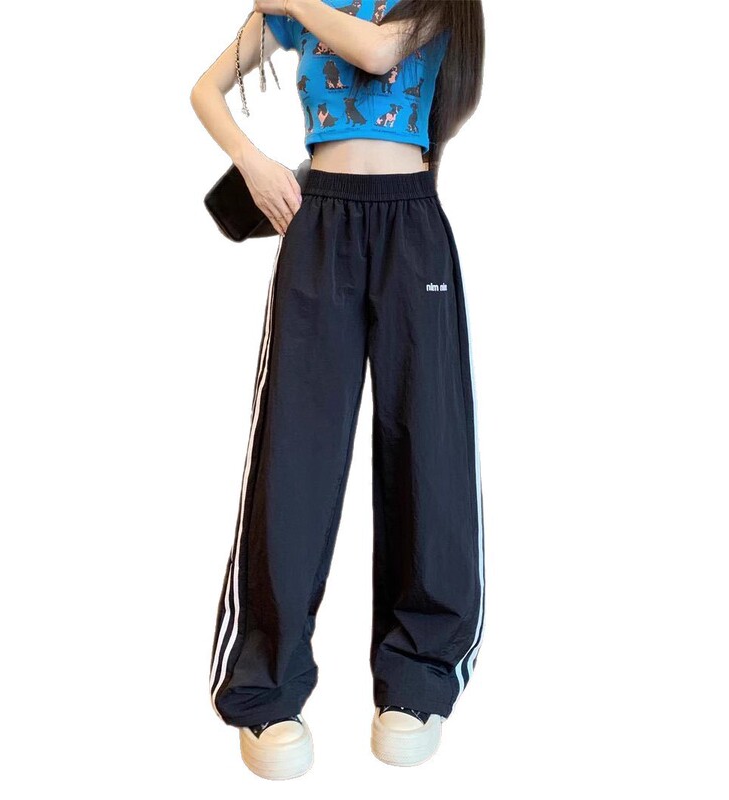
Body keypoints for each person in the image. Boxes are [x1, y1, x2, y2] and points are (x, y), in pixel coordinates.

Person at [190, 0, 486, 780]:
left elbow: (380, 52)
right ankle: (266, 687)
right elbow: (205, 90)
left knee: (430, 449)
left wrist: (289, 1)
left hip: (411, 226)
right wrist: (252, 161)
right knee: (296, 454)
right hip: (318, 224)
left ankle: (419, 679)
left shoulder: (429, 5)